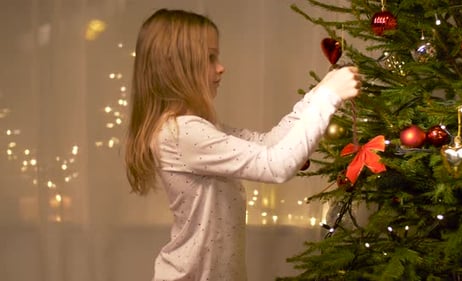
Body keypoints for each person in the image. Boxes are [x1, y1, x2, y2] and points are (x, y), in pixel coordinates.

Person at [125, 8, 361, 281]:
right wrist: (328, 96)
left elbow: (270, 143)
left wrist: (318, 93)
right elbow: (277, 166)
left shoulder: (195, 128)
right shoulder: (182, 133)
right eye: (210, 58)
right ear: (177, 69)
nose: (221, 67)